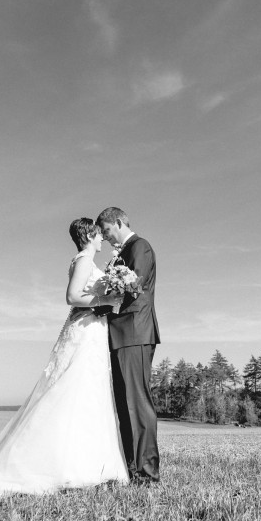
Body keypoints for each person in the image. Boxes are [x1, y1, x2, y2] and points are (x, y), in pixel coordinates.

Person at [0, 218, 128, 498]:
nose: (102, 240)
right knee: (71, 390)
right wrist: (106, 302)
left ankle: (91, 465)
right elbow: (72, 297)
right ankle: (59, 466)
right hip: (84, 331)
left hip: (93, 331)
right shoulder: (83, 261)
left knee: (89, 393)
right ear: (90, 235)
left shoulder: (88, 262)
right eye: (99, 235)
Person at [96, 206, 161, 484]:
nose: (106, 237)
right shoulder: (119, 254)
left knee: (137, 403)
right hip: (119, 335)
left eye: (107, 230)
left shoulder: (140, 247)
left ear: (120, 222)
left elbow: (135, 288)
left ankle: (147, 473)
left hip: (135, 332)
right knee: (124, 405)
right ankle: (131, 469)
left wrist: (102, 306)